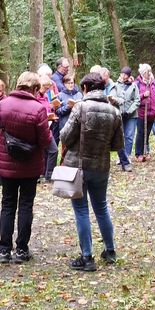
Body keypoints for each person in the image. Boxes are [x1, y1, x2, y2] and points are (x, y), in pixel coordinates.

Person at [60, 72, 124, 271]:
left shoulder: (80, 107)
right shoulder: (114, 112)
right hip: (101, 167)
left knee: (81, 210)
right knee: (102, 208)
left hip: (78, 166)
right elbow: (117, 144)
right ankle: (110, 250)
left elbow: (65, 137)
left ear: (85, 88)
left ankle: (87, 257)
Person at [0, 72, 54, 263]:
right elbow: (45, 140)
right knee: (26, 205)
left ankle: (4, 250)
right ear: (35, 89)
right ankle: (21, 249)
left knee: (7, 205)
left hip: (6, 165)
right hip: (30, 166)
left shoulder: (1, 105)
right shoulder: (38, 109)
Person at [109, 66, 140, 172]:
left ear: (129, 76)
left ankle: (127, 156)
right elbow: (112, 97)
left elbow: (137, 100)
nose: (123, 76)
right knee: (120, 136)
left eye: (125, 74)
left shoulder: (134, 86)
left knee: (129, 136)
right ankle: (121, 157)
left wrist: (129, 111)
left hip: (131, 115)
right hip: (119, 114)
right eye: (122, 74)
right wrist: (119, 101)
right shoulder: (115, 85)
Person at [134, 64, 155, 161]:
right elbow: (135, 98)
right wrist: (143, 95)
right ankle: (139, 154)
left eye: (150, 71)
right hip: (141, 113)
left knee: (147, 133)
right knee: (141, 133)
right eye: (147, 72)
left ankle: (146, 152)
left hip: (151, 113)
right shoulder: (137, 83)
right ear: (143, 73)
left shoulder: (153, 83)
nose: (149, 73)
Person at [38, 74, 60, 182]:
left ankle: (49, 174)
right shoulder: (35, 96)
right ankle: (42, 173)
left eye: (48, 88)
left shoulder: (46, 96)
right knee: (46, 151)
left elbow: (47, 109)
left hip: (48, 126)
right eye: (45, 87)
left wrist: (51, 113)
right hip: (38, 127)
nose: (46, 90)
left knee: (53, 150)